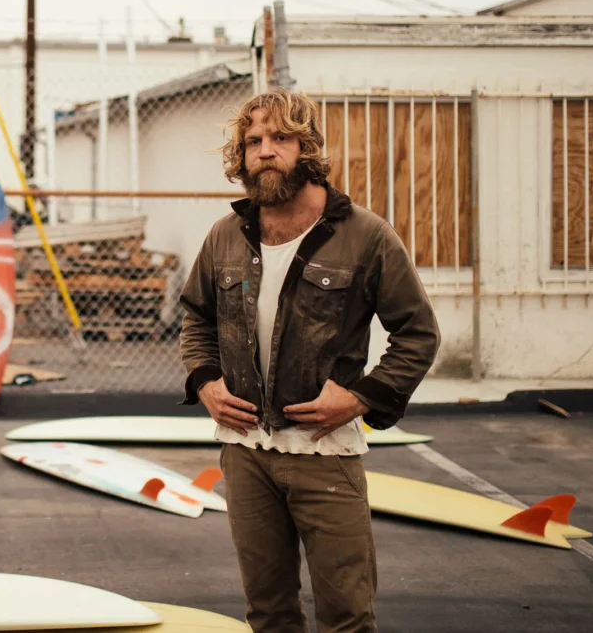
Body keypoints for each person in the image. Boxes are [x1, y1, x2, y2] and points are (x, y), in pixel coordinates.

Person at [178, 88, 440, 633]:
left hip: (324, 452)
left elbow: (418, 334)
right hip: (244, 452)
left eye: (281, 137)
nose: (265, 151)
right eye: (253, 141)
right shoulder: (226, 236)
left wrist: (361, 399)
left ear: (308, 147)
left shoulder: (366, 236)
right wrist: (205, 383)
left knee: (347, 615)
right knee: (269, 612)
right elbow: (196, 318)